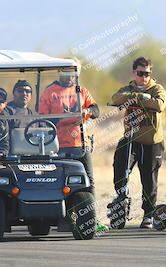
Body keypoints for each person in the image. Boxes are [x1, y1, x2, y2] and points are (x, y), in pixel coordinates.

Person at [38, 65, 106, 231]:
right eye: (67, 74)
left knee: (88, 182)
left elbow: (96, 110)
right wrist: (65, 119)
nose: (70, 78)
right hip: (58, 146)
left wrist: (87, 111)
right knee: (62, 182)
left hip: (80, 144)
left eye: (73, 74)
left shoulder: (81, 90)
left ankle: (91, 219)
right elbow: (42, 119)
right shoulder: (50, 92)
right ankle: (65, 219)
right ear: (60, 73)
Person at [111, 56, 166, 229]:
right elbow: (115, 98)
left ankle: (148, 214)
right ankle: (121, 199)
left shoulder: (157, 88)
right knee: (120, 166)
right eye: (140, 73)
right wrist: (134, 95)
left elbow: (159, 105)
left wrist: (141, 98)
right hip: (131, 139)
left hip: (152, 141)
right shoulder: (128, 88)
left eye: (147, 73)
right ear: (134, 73)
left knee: (149, 179)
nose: (144, 77)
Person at [0, 88, 9, 157]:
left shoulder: (3, 121)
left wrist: (2, 153)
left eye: (0, 102)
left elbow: (5, 144)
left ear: (5, 104)